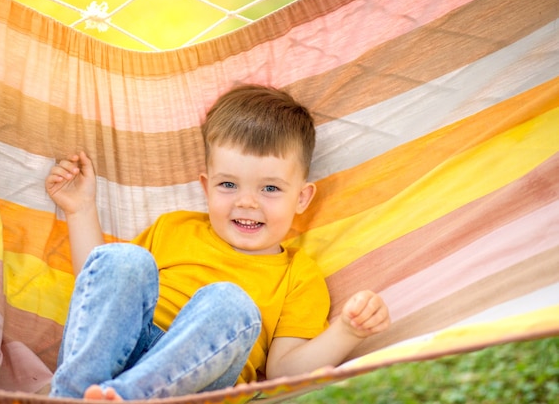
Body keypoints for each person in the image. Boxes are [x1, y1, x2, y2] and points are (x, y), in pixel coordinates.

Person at [45, 84, 390, 401]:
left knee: (230, 302)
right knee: (123, 260)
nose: (247, 202)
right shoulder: (174, 227)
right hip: (115, 355)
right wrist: (80, 210)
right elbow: (99, 300)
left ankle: (126, 396)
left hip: (196, 380)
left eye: (270, 188)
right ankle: (73, 395)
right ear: (206, 186)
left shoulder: (298, 276)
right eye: (229, 185)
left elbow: (284, 371)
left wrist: (347, 331)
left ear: (301, 198)